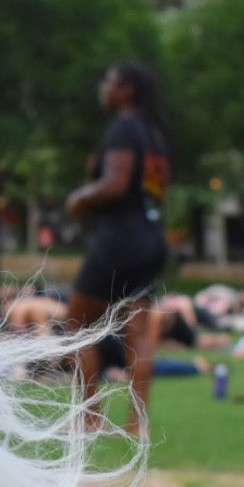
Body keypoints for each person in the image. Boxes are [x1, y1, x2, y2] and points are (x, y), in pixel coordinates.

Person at [65, 61, 171, 436]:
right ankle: (135, 424)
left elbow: (115, 183)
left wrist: (80, 197)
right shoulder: (155, 135)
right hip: (151, 237)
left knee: (76, 326)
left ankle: (89, 417)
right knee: (137, 334)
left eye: (109, 81)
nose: (103, 88)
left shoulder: (124, 129)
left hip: (120, 239)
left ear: (126, 90)